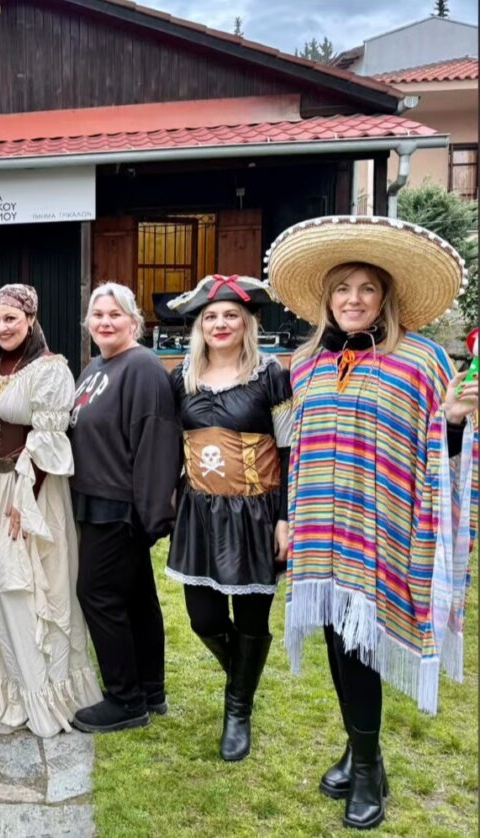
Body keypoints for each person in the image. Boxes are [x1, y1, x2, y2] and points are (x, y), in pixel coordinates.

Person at [266, 216, 478, 830]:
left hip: (385, 524)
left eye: (366, 288)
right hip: (319, 524)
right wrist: (287, 517)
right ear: (327, 299)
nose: (353, 299)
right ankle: (362, 754)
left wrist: (455, 421)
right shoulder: (306, 364)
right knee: (340, 640)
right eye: (342, 289)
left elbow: (440, 448)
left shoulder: (421, 360)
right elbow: (295, 449)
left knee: (363, 645)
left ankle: (366, 769)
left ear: (384, 297)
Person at [0, 283, 102, 737]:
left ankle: (39, 691)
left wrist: (26, 500)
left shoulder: (50, 369)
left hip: (29, 490)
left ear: (30, 320)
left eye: (12, 319)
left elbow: (48, 439)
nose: (2, 327)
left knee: (20, 583)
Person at [165, 275, 291, 761]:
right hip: (200, 511)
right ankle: (243, 673)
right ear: (200, 326)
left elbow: (290, 449)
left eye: (230, 316)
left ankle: (238, 709)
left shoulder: (270, 375)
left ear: (247, 323)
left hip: (256, 513)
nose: (220, 324)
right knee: (204, 618)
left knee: (252, 616)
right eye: (211, 317)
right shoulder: (182, 377)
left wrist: (285, 518)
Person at [69, 282, 180, 733]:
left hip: (120, 505)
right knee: (135, 598)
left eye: (115, 314)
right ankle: (150, 689)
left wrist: (148, 516)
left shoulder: (142, 367)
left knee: (95, 593)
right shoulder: (96, 366)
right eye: (98, 314)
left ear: (134, 321)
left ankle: (125, 699)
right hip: (94, 499)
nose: (106, 322)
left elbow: (157, 442)